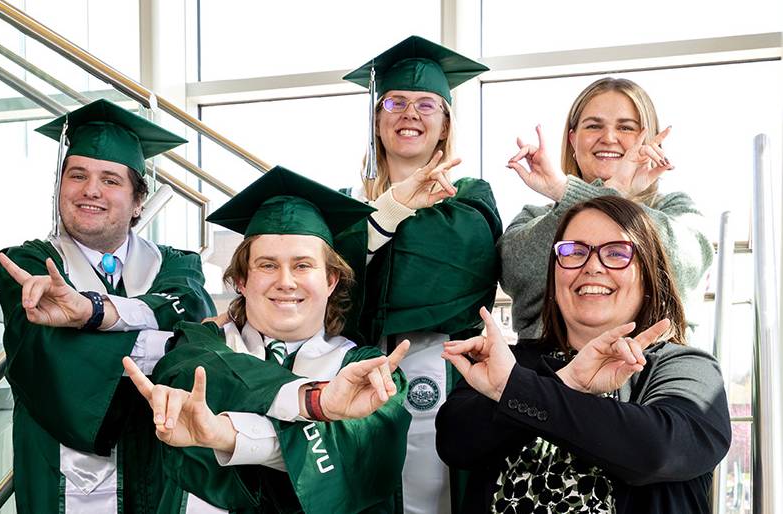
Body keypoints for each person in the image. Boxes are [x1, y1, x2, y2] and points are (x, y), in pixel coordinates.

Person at [123, 166, 413, 513]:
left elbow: (364, 462)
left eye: (303, 265)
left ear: (332, 280)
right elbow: (188, 375)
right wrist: (316, 404)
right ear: (241, 280)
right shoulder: (197, 346)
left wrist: (226, 435)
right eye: (267, 265)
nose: (286, 281)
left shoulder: (367, 372)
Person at [437, 196, 731, 513]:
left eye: (617, 253)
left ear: (648, 273)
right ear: (554, 275)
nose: (592, 266)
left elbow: (659, 452)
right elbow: (456, 443)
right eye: (574, 252)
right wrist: (566, 381)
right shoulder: (508, 363)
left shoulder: (685, 367)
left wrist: (516, 390)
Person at [0, 99, 216, 513]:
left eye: (110, 179)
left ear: (138, 202)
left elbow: (194, 337)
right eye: (76, 175)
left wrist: (93, 316)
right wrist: (157, 340)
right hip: (63, 482)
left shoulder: (176, 264)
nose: (90, 190)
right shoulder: (29, 265)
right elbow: (49, 363)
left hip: (157, 471)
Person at [341, 36, 502, 514]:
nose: (409, 113)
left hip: (449, 369)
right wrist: (388, 211)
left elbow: (454, 278)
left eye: (426, 104)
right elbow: (325, 285)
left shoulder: (472, 197)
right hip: (355, 367)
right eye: (395, 101)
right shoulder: (342, 199)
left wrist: (375, 229)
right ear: (377, 118)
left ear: (445, 122)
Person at [499, 77, 712, 340]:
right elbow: (516, 273)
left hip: (653, 373)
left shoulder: (676, 210)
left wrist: (592, 194)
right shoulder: (535, 217)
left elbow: (684, 267)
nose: (609, 138)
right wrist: (614, 191)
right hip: (549, 373)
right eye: (593, 126)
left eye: (626, 128)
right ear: (573, 141)